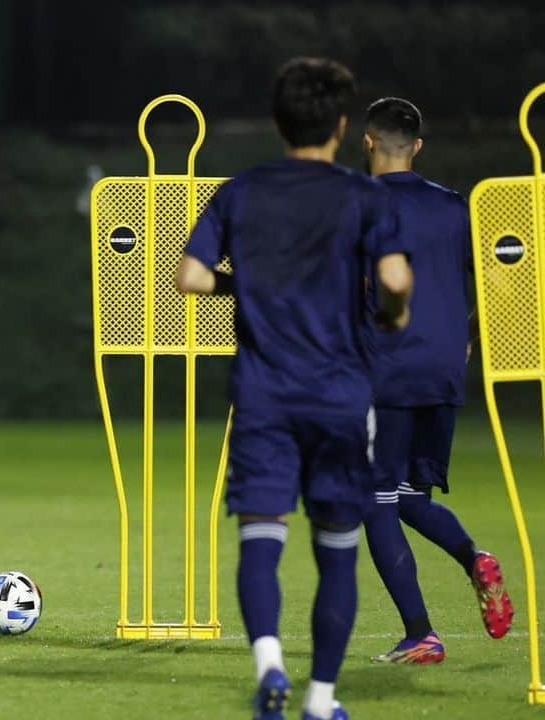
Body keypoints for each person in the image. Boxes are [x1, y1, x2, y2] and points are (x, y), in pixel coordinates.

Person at [175, 58, 412, 720]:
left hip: (262, 397)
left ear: (278, 122)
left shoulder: (241, 191)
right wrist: (393, 315)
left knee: (261, 538)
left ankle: (269, 666)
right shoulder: (366, 197)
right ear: (341, 126)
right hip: (339, 395)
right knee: (337, 548)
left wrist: (239, 286)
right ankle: (320, 700)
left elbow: (190, 278)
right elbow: (394, 282)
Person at [360, 97, 513, 664]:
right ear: (418, 147)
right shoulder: (456, 208)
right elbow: (502, 282)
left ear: (368, 141)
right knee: (406, 495)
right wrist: (468, 333)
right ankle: (474, 557)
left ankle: (420, 632)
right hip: (446, 367)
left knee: (372, 498)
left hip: (385, 369)